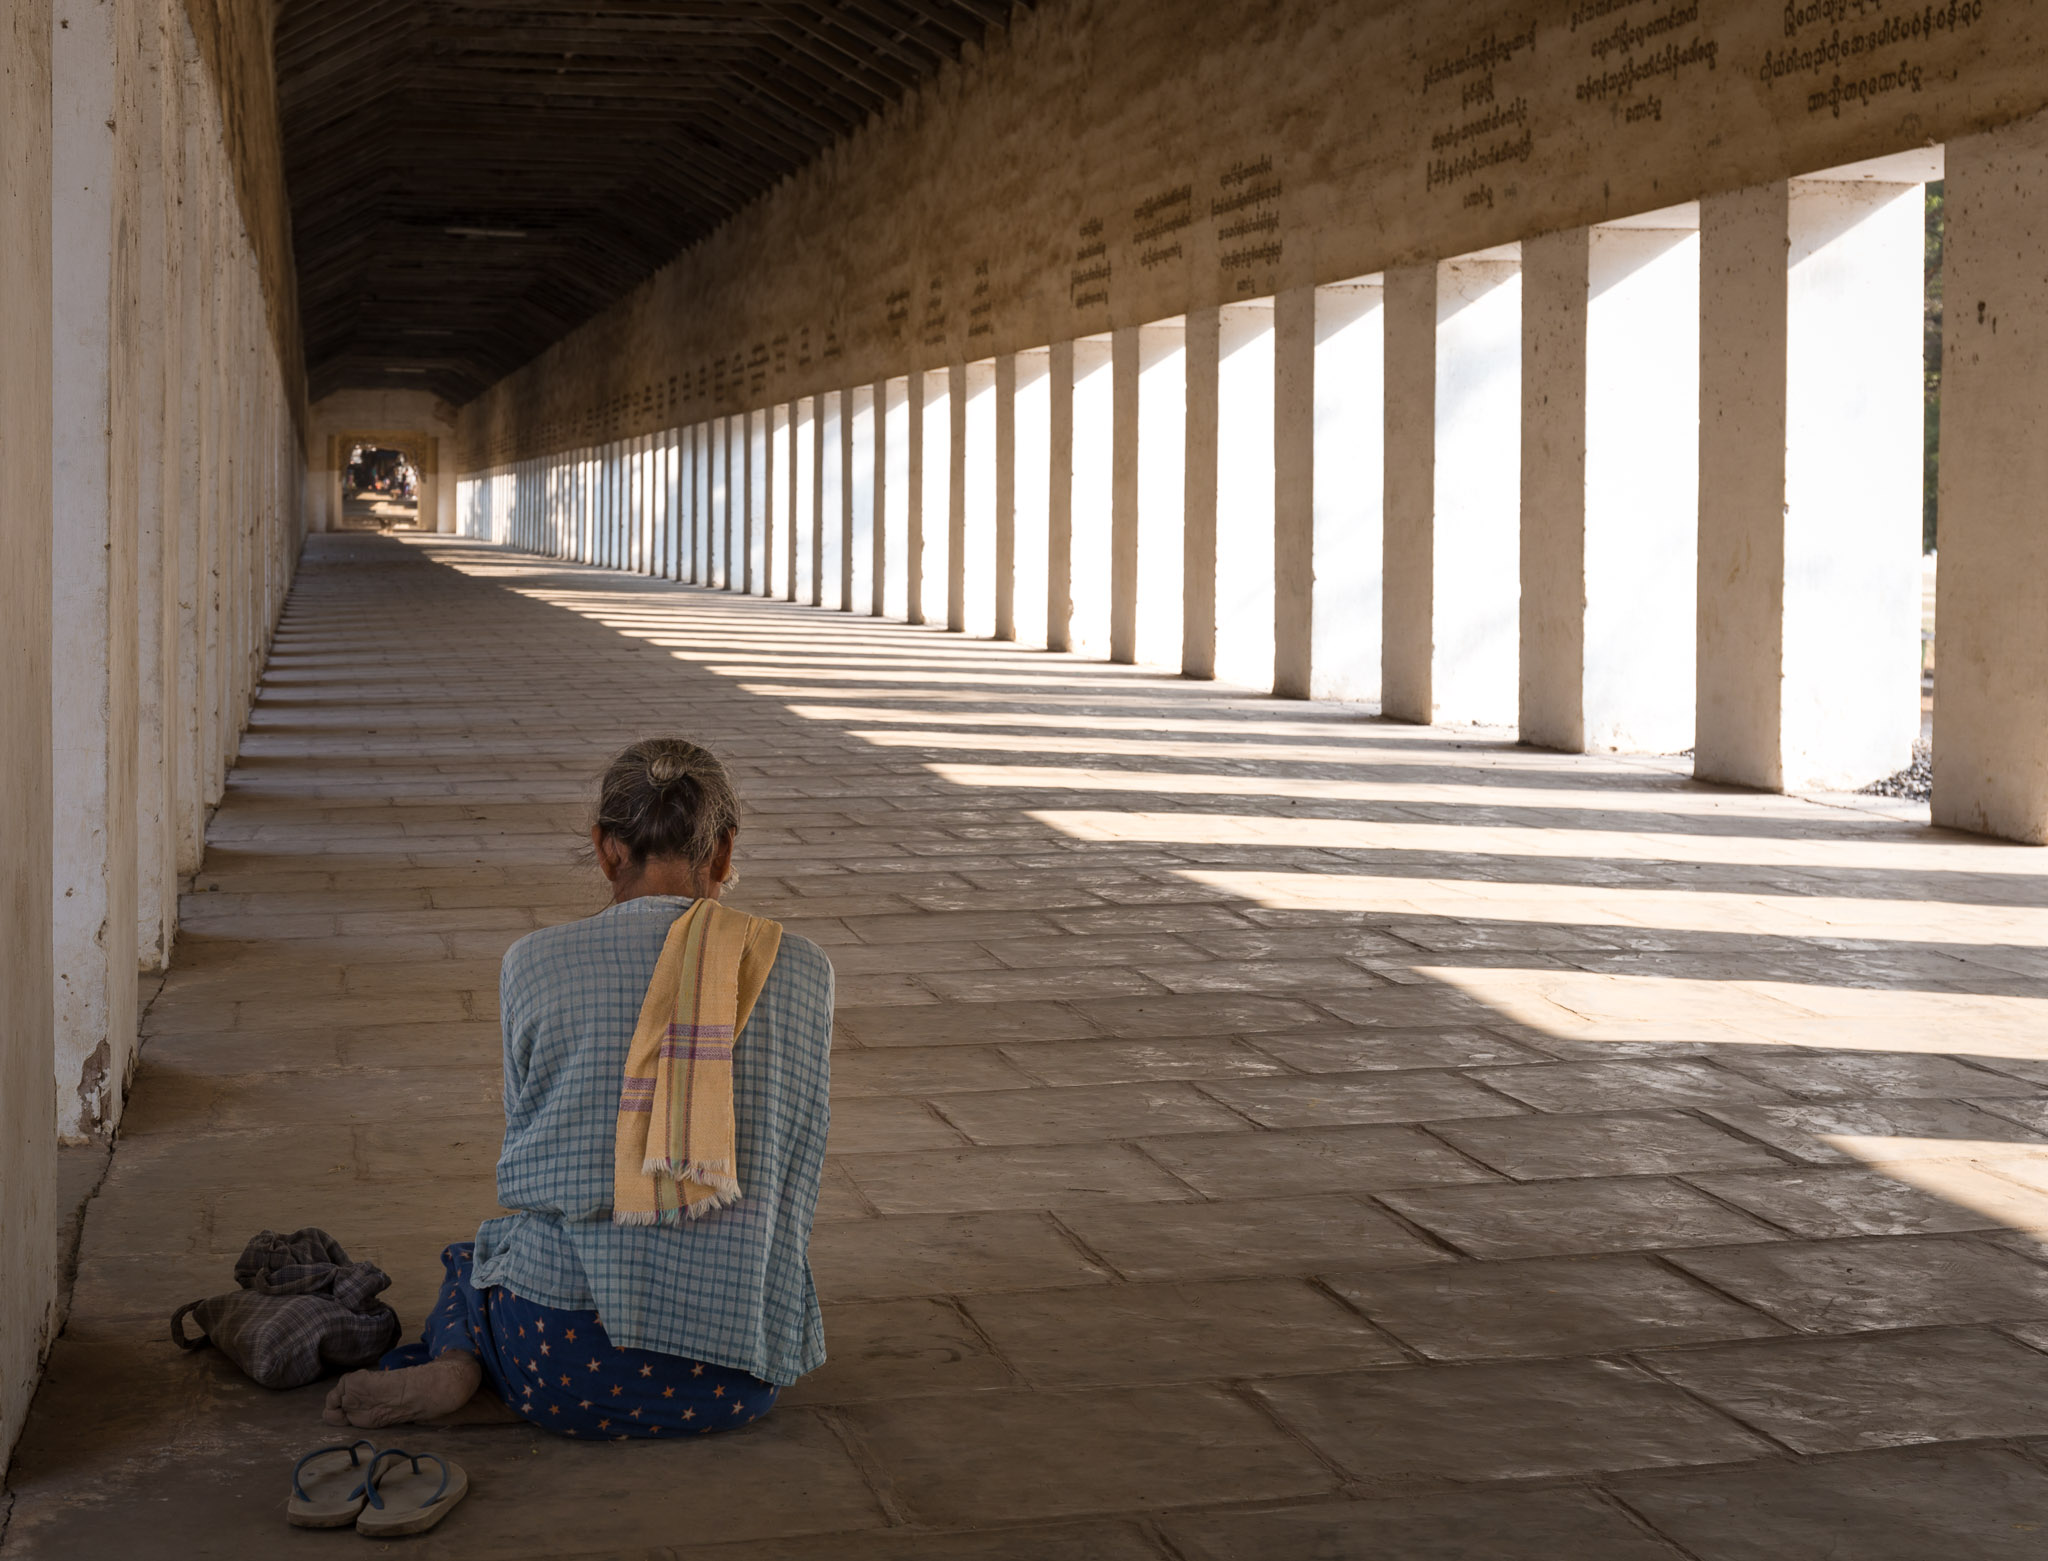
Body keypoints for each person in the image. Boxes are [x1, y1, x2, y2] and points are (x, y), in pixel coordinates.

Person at [323, 739, 833, 1438]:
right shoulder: (803, 969)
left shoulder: (533, 963)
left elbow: (528, 1131)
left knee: (471, 1260)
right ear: (723, 853)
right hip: (738, 1373)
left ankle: (458, 1358)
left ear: (605, 849)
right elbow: (797, 1159)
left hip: (557, 1363)